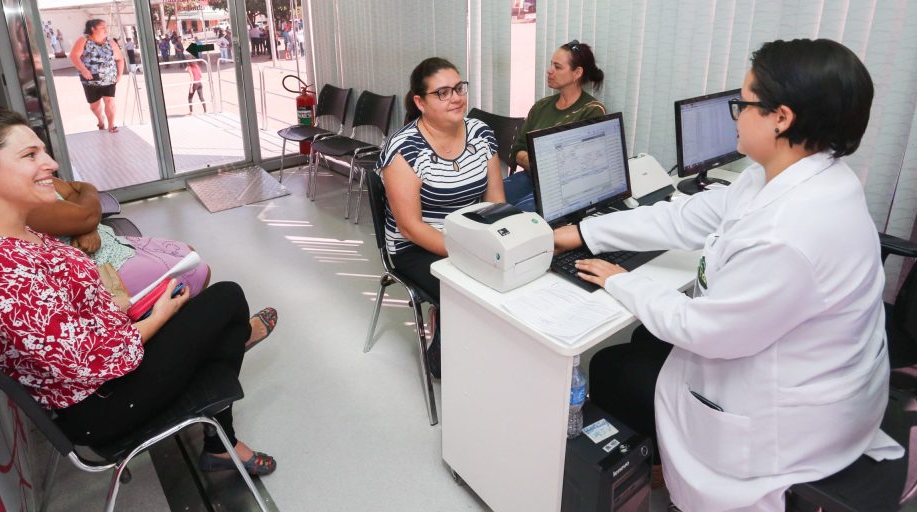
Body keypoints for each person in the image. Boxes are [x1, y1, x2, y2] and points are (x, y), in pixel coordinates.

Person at [554, 39, 900, 511]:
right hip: (811, 369)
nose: (734, 115)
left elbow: (703, 329)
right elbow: (689, 216)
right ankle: (653, 463)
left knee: (613, 367)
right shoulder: (799, 174)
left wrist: (620, 280)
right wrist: (584, 232)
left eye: (743, 103)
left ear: (781, 118)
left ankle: (648, 476)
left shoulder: (791, 232)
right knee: (643, 340)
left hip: (788, 426)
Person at [0, 109, 279, 475]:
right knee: (227, 303)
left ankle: (221, 435)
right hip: (101, 402)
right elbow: (85, 361)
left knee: (219, 315)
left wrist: (119, 308)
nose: (50, 164)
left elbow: (61, 322)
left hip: (104, 369)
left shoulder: (10, 237)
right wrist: (158, 317)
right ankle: (221, 436)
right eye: (30, 155)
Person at [0, 99, 213, 300]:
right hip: (102, 263)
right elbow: (84, 211)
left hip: (105, 243)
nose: (51, 164)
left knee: (188, 254)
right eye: (29, 154)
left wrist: (85, 218)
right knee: (199, 271)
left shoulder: (19, 196)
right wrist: (85, 215)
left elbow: (81, 195)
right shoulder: (12, 209)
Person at [378, 57, 505, 376]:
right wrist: (472, 253)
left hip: (470, 235)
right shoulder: (404, 149)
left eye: (459, 88)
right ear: (420, 102)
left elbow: (496, 202)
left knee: (508, 281)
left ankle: (494, 357)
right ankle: (441, 356)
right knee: (474, 293)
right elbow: (410, 227)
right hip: (414, 247)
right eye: (443, 93)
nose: (456, 98)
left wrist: (499, 245)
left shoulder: (480, 133)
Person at [504, 40, 606, 211]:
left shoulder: (592, 111)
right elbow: (517, 149)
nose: (549, 70)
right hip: (531, 177)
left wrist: (537, 162)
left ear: (577, 73)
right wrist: (538, 164)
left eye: (557, 67)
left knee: (518, 214)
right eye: (551, 64)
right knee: (489, 200)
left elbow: (580, 167)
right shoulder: (541, 107)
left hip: (564, 190)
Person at [69, 19, 124, 133]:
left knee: (109, 101)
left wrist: (119, 74)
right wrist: (83, 70)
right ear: (93, 29)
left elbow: (120, 59)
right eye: (102, 27)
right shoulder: (83, 40)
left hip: (109, 79)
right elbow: (74, 56)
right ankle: (100, 119)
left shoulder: (111, 43)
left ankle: (111, 125)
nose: (106, 30)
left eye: (106, 27)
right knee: (95, 106)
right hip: (90, 80)